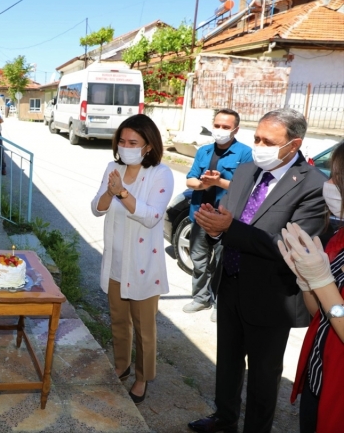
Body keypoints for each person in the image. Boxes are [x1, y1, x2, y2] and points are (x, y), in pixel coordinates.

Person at [188, 109, 327, 433]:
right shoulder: (247, 169)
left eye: (268, 141)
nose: (259, 145)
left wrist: (229, 229)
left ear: (294, 145)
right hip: (231, 283)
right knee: (228, 362)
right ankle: (224, 418)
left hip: (271, 295)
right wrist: (214, 227)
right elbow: (231, 218)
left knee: (264, 376)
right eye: (256, 138)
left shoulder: (312, 185)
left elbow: (294, 245)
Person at [91, 114, 174, 405]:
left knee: (144, 328)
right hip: (115, 261)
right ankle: (121, 364)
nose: (126, 146)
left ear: (148, 146)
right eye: (122, 141)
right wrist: (109, 194)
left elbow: (152, 217)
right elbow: (97, 207)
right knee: (118, 320)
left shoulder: (160, 174)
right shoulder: (113, 167)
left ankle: (142, 377)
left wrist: (122, 193)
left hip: (142, 266)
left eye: (133, 142)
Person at [279, 142, 344, 433]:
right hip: (318, 378)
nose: (328, 184)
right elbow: (317, 314)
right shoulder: (337, 240)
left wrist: (322, 282)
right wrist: (307, 283)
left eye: (337, 177)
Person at [182, 109, 253, 322]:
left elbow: (246, 188)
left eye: (226, 127)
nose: (220, 130)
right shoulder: (203, 151)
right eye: (217, 125)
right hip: (201, 215)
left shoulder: (245, 153)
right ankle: (201, 298)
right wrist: (204, 183)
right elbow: (190, 181)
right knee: (199, 260)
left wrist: (219, 182)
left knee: (224, 263)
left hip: (226, 219)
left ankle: (220, 303)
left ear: (236, 129)